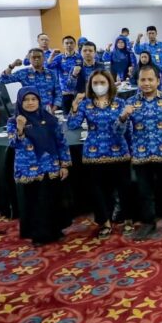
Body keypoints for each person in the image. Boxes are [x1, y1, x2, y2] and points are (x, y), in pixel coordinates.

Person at [120, 64, 162, 241]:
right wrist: (123, 117)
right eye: (143, 79)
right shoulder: (130, 102)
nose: (146, 83)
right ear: (138, 81)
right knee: (144, 191)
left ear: (158, 81)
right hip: (140, 155)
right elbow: (120, 132)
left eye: (150, 79)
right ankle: (148, 222)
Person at [67, 69, 129, 239]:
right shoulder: (85, 104)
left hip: (118, 150)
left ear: (109, 83)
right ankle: (105, 222)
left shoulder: (120, 103)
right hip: (93, 152)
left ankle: (126, 219)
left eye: (102, 82)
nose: (99, 86)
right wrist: (74, 107)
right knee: (97, 189)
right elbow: (72, 125)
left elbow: (123, 129)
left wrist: (123, 118)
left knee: (123, 187)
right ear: (90, 85)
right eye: (95, 83)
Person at [8, 87, 71, 246]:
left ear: (39, 101)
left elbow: (61, 142)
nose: (30, 103)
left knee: (52, 198)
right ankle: (38, 235)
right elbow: (14, 144)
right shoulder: (13, 121)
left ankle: (55, 230)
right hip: (29, 168)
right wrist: (20, 129)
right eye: (26, 100)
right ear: (20, 102)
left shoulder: (50, 119)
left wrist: (64, 164)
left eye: (33, 99)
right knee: (34, 202)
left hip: (51, 166)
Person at [47, 35, 81, 112]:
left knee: (79, 114)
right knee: (66, 115)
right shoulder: (59, 57)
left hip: (78, 92)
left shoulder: (80, 57)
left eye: (71, 43)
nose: (69, 45)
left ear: (75, 44)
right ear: (63, 45)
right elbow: (48, 66)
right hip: (65, 92)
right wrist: (52, 55)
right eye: (66, 43)